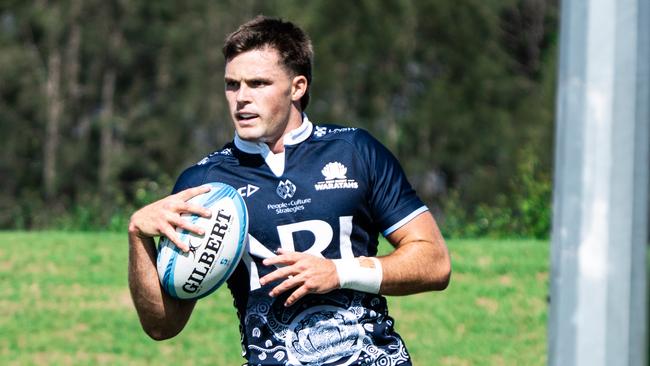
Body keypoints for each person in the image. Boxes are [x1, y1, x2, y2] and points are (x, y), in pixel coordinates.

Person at [128, 15, 451, 366]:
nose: (241, 99)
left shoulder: (355, 151)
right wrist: (138, 236)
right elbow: (162, 325)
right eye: (232, 85)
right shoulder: (204, 185)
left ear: (297, 87)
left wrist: (340, 272)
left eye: (258, 83)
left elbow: (434, 262)